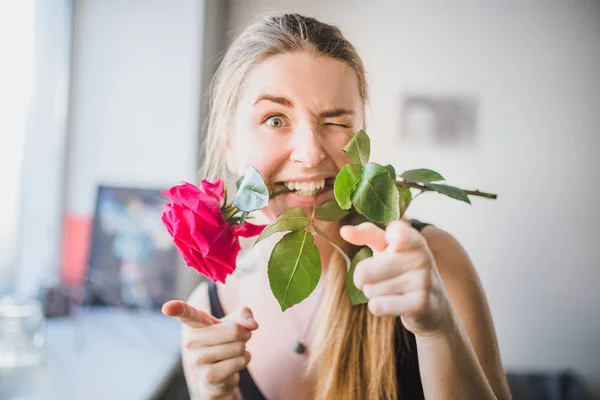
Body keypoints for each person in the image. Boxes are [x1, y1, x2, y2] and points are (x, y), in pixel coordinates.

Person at [162, 13, 512, 400]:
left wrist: (438, 330)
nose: (311, 155)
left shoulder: (435, 262)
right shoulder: (207, 313)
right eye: (275, 119)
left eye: (335, 122)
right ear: (229, 145)